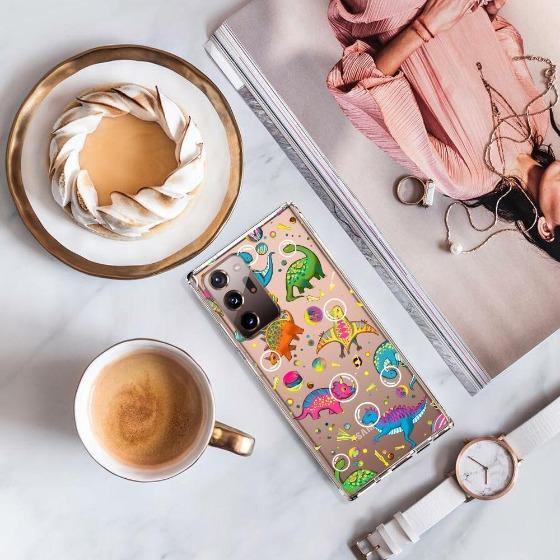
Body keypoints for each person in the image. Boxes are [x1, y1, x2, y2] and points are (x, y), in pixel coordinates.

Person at [327, 0, 560, 257]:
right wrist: (489, 12)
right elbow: (496, 38)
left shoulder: (464, 178)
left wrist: (424, 27)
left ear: (546, 229)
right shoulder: (536, 120)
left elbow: (368, 89)